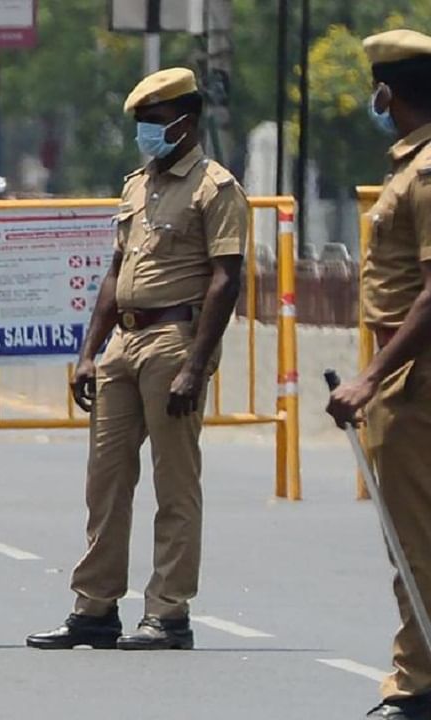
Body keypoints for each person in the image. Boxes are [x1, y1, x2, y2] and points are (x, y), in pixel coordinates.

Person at [26, 67, 248, 652]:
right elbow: (113, 273)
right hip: (123, 344)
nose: (146, 132)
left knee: (174, 482)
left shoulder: (214, 187)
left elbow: (227, 279)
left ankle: (168, 612)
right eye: (141, 123)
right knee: (105, 479)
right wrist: (87, 353)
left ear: (186, 122)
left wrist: (196, 367)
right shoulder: (137, 186)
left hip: (176, 339)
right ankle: (95, 607)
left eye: (154, 121)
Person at [327, 29, 431, 720]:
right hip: (410, 370)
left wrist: (369, 379)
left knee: (415, 541)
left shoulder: (423, 174)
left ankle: (417, 682)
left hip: (413, 377)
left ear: (387, 92)